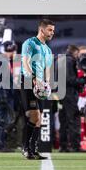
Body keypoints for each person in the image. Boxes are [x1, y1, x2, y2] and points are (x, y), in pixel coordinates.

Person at [20, 19, 55, 160]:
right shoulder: (29, 43)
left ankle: (32, 150)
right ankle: (25, 148)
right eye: (50, 30)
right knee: (34, 116)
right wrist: (34, 78)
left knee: (39, 119)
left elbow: (47, 69)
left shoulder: (48, 49)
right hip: (28, 82)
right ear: (42, 30)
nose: (52, 33)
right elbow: (25, 62)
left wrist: (46, 83)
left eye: (53, 30)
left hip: (40, 86)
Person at [59, 45, 83, 152]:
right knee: (74, 119)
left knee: (63, 121)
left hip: (60, 94)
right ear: (75, 52)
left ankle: (63, 146)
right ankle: (75, 146)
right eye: (78, 54)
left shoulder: (60, 59)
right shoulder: (69, 61)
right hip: (68, 94)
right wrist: (82, 80)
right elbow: (69, 79)